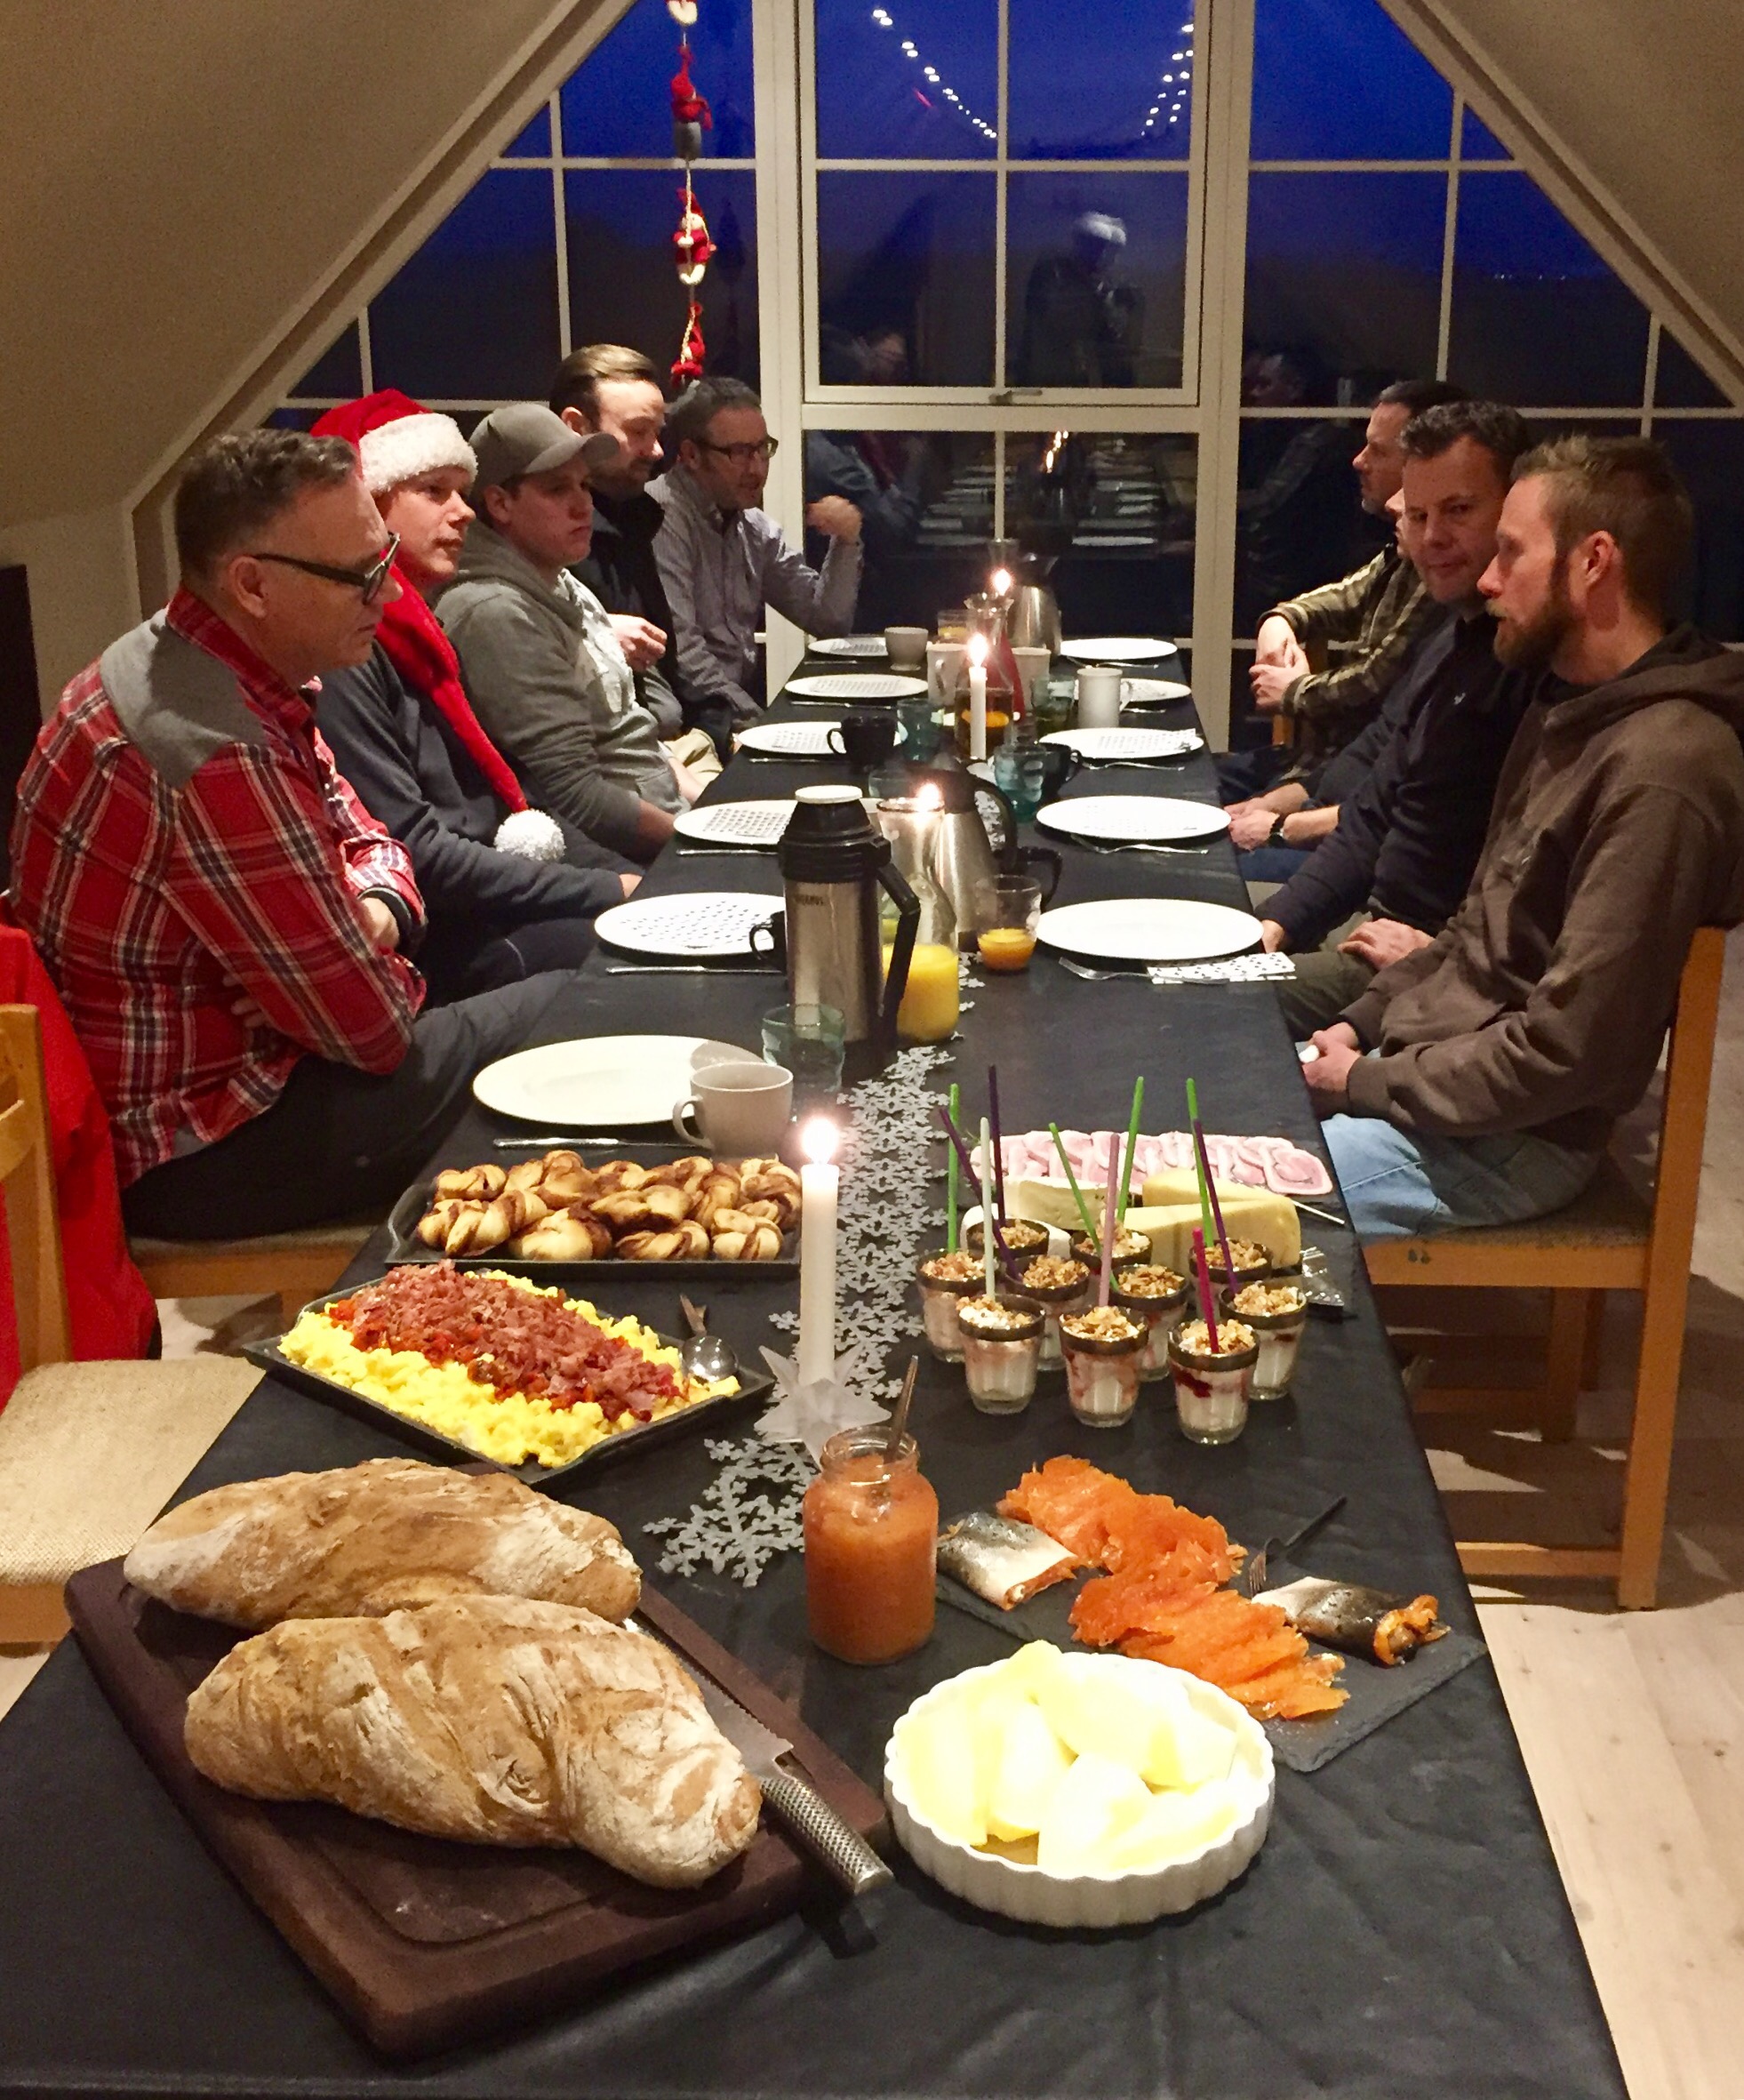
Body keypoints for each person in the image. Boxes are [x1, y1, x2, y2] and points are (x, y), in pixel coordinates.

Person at [8, 429, 569, 1240]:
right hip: (202, 1146)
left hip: (249, 1070)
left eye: (384, 560)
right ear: (253, 584)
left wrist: (374, 914)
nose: (388, 592)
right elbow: (374, 1032)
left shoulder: (196, 652)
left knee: (546, 967)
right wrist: (357, 953)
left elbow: (368, 834)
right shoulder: (213, 749)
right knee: (575, 1001)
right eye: (360, 574)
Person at [1302, 435, 1744, 1239]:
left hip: (1514, 1140)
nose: (1488, 579)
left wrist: (1364, 1081)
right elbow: (1475, 930)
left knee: (1208, 1216)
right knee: (1196, 1107)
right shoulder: (1568, 707)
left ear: (1593, 561)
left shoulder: (1665, 770)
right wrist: (1360, 1024)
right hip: (1436, 1076)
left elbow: (1568, 1054)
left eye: (1510, 552)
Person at [308, 390, 635, 1003]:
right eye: (435, 492)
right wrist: (608, 889)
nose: (463, 513)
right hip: (445, 934)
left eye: (462, 492)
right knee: (633, 953)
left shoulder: (422, 628)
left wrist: (621, 876)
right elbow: (419, 852)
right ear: (365, 508)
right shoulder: (349, 652)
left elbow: (515, 795)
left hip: (490, 892)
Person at [1258, 401, 1538, 1036]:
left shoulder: (1535, 671)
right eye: (1418, 515)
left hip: (1423, 970)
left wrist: (1438, 957)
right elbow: (1372, 814)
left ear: (1513, 511)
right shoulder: (1452, 640)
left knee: (1195, 1002)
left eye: (1458, 511)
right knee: (1191, 947)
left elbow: (1530, 894)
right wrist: (1275, 924)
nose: (1432, 537)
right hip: (1373, 933)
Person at [438, 404, 701, 863]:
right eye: (557, 488)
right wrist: (705, 840)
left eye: (583, 484)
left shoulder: (558, 576)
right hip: (629, 857)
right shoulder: (494, 612)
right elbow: (577, 796)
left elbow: (630, 732)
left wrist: (716, 810)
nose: (584, 504)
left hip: (669, 815)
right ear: (500, 504)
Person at [1223, 377, 1467, 835]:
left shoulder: (1444, 582)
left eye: (1378, 450)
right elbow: (1342, 596)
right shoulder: (1402, 554)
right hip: (1319, 776)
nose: (1358, 460)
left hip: (1329, 792)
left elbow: (1375, 682)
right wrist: (1279, 620)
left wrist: (1293, 691)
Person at [548, 343, 732, 758]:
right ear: (576, 426)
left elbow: (672, 669)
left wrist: (720, 732)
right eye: (638, 431)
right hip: (616, 760)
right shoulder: (544, 535)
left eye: (657, 432)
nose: (657, 450)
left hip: (670, 740)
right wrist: (597, 634)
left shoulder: (634, 516)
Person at [651, 376, 861, 722]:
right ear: (691, 455)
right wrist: (761, 724)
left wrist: (845, 541)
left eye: (762, 449)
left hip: (729, 711)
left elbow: (827, 621)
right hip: (684, 721)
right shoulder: (661, 516)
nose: (757, 468)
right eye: (739, 453)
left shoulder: (753, 526)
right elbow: (686, 659)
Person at [1018, 212, 1142, 388]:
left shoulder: (1105, 285)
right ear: (1081, 245)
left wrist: (1121, 311)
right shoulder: (1054, 273)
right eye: (1099, 247)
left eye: (1113, 251)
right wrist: (1103, 301)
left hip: (1082, 384)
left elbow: (1113, 345)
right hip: (1047, 383)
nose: (1108, 257)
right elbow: (1061, 322)